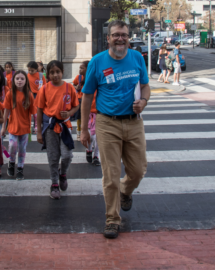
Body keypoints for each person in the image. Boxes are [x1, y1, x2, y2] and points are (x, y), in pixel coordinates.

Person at [80, 20, 150, 239]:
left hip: (134, 122)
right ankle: (112, 219)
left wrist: (144, 101)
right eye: (116, 35)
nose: (121, 38)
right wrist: (83, 129)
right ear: (108, 38)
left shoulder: (137, 58)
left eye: (125, 35)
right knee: (110, 175)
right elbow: (87, 96)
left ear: (129, 37)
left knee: (138, 171)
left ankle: (125, 190)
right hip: (106, 123)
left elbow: (145, 85)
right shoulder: (97, 62)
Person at [36, 60, 79, 200]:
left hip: (65, 127)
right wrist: (38, 131)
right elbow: (40, 110)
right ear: (47, 74)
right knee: (53, 157)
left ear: (62, 72)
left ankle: (63, 173)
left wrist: (70, 113)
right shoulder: (44, 89)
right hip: (50, 127)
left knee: (67, 155)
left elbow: (76, 105)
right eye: (52, 72)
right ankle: (54, 183)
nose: (55, 75)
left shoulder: (69, 88)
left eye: (58, 72)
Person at [1, 70, 36, 180]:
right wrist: (3, 127)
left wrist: (36, 126)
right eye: (17, 78)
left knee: (22, 149)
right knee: (12, 146)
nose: (19, 81)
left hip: (25, 128)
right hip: (12, 127)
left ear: (26, 81)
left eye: (22, 78)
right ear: (13, 80)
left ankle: (20, 168)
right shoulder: (10, 93)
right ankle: (11, 163)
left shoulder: (29, 95)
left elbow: (34, 112)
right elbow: (6, 111)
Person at [72, 61, 89, 140]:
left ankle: (87, 131)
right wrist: (76, 87)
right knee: (79, 117)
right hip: (79, 99)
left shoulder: (90, 77)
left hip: (88, 100)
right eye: (79, 68)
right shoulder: (78, 77)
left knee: (87, 117)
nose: (80, 70)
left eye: (82, 68)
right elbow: (73, 85)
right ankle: (79, 131)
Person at [27, 61, 45, 134]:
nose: (30, 72)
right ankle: (27, 126)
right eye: (29, 70)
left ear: (36, 69)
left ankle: (36, 126)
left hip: (37, 95)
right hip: (29, 94)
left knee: (36, 111)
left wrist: (41, 88)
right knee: (28, 110)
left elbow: (45, 85)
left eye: (32, 70)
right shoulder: (26, 75)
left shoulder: (40, 75)